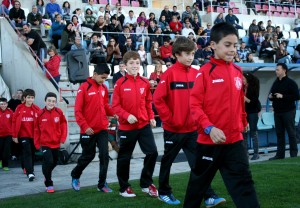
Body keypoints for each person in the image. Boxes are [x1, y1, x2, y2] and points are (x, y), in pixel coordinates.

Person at [183, 22, 260, 208]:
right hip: (209, 143)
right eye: (227, 45)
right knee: (198, 185)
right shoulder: (204, 72)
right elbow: (194, 105)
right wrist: (209, 128)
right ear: (213, 45)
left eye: (235, 45)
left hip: (234, 141)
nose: (232, 49)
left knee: (244, 184)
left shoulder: (237, 71)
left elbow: (239, 100)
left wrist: (242, 122)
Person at [153, 37, 225, 206]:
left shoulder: (196, 73)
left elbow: (203, 99)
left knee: (198, 164)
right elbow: (158, 99)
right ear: (177, 55)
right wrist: (169, 119)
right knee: (167, 161)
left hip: (193, 129)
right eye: (186, 54)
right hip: (173, 129)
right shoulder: (169, 74)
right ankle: (164, 192)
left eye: (192, 54)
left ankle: (208, 196)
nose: (190, 57)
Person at [112, 51, 158, 198]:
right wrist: (127, 115)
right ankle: (124, 187)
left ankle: (146, 183)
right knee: (125, 157)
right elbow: (115, 107)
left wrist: (151, 117)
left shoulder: (145, 82)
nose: (135, 66)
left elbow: (148, 102)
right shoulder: (120, 83)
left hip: (143, 125)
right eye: (131, 63)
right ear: (125, 66)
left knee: (152, 152)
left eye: (137, 63)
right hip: (127, 127)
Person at [71, 63, 115, 192]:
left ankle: (102, 184)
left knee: (104, 155)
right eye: (102, 78)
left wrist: (114, 114)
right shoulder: (84, 88)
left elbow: (106, 105)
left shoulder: (104, 88)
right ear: (94, 74)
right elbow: (77, 111)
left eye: (106, 79)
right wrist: (85, 126)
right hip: (88, 130)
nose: (103, 81)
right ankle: (75, 175)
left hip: (102, 128)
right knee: (88, 156)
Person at [34, 92, 67, 193]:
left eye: (53, 101)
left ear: (55, 102)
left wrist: (62, 138)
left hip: (56, 143)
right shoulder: (40, 113)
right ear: (45, 101)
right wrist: (36, 143)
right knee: (49, 161)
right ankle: (49, 183)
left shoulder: (59, 112)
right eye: (49, 101)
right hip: (45, 143)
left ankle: (46, 173)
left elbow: (63, 125)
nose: (51, 103)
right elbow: (36, 129)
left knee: (54, 161)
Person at [268, 63, 299, 160]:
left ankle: (293, 154)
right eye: (276, 69)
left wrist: (283, 96)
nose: (276, 71)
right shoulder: (275, 82)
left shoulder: (291, 83)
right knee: (279, 134)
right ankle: (280, 155)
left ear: (284, 70)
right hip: (277, 112)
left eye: (277, 69)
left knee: (291, 133)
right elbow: (272, 94)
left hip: (288, 111)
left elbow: (297, 96)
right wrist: (271, 97)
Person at [12, 89, 40, 181]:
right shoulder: (19, 108)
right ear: (25, 98)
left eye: (32, 98)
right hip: (23, 135)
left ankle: (26, 167)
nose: (30, 99)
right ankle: (30, 172)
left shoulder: (36, 109)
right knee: (27, 152)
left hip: (34, 135)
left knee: (31, 153)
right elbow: (14, 121)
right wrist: (14, 135)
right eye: (28, 97)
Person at [243, 73, 261, 160]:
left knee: (253, 132)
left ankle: (256, 153)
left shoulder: (253, 87)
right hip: (244, 112)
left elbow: (254, 101)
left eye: (243, 79)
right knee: (244, 133)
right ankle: (245, 154)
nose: (242, 80)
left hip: (253, 111)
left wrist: (244, 99)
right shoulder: (242, 87)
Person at [0, 97, 13, 171]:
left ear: (7, 104)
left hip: (8, 134)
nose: (3, 105)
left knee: (6, 151)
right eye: (1, 104)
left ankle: (5, 165)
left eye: (4, 104)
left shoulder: (10, 112)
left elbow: (13, 122)